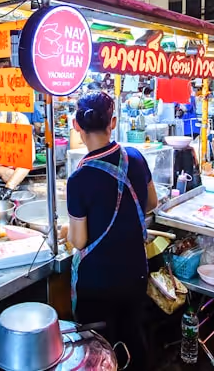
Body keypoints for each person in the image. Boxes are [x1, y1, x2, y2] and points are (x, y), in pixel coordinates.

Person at [66, 92, 157, 371]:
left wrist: (65, 229)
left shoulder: (79, 179)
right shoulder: (135, 157)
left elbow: (78, 240)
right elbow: (151, 203)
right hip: (135, 272)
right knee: (132, 335)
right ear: (113, 122)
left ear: (76, 126)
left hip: (98, 282)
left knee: (98, 352)